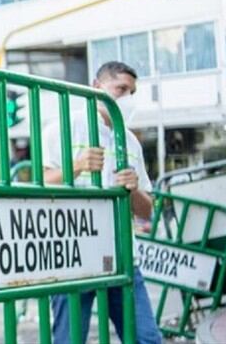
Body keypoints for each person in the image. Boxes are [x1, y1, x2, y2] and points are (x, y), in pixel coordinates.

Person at [42, 61, 160, 344]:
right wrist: (77, 166)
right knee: (69, 340)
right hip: (71, 258)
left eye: (132, 92)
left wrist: (133, 190)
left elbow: (147, 211)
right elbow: (40, 185)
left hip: (122, 257)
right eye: (120, 88)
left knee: (146, 339)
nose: (126, 98)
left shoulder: (131, 142)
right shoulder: (60, 130)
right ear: (96, 87)